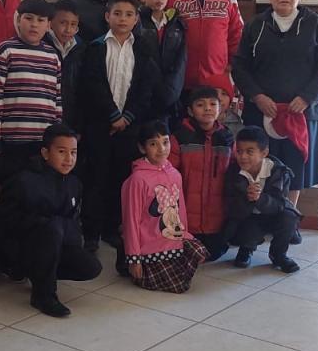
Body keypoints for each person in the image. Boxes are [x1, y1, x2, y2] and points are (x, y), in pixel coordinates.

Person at [231, 0, 318, 217]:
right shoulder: (256, 25)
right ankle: (258, 217)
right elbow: (240, 66)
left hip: (300, 112)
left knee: (294, 167)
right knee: (259, 164)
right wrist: (257, 96)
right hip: (262, 110)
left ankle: (287, 217)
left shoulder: (315, 24)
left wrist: (307, 98)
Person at [79, 0, 158, 262]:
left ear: (136, 19)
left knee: (121, 179)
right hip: (100, 125)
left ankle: (112, 228)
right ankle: (91, 231)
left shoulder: (143, 49)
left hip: (129, 127)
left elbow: (145, 88)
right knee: (95, 178)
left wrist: (127, 118)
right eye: (117, 13)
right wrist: (112, 116)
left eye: (128, 14)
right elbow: (93, 85)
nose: (122, 19)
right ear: (107, 16)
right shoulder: (96, 47)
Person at [0, 124, 101, 318]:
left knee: (91, 267)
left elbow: (73, 222)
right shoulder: (25, 180)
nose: (69, 159)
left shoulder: (74, 184)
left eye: (73, 152)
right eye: (62, 152)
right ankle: (43, 295)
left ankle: (39, 273)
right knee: (51, 228)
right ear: (45, 153)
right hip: (21, 246)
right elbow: (3, 218)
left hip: (57, 244)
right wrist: (41, 224)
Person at [121, 121, 209, 293]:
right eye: (153, 144)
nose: (161, 149)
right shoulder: (137, 180)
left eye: (165, 142)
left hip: (171, 238)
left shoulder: (175, 174)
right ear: (142, 148)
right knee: (178, 286)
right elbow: (130, 221)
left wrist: (185, 236)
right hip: (149, 245)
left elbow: (180, 211)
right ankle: (131, 266)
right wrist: (134, 258)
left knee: (199, 252)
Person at [0, 0, 63, 181]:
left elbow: (57, 99)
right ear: (18, 20)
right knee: (12, 188)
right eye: (28, 18)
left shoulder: (53, 56)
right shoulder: (5, 51)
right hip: (12, 141)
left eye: (41, 20)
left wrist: (56, 135)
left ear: (48, 25)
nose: (34, 25)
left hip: (43, 141)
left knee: (39, 188)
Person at [168, 85, 234, 259]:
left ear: (220, 108)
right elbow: (169, 174)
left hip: (217, 217)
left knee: (214, 253)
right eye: (200, 105)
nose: (207, 108)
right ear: (190, 111)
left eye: (213, 104)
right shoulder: (180, 137)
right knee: (189, 253)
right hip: (186, 217)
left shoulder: (227, 138)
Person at [224, 126, 300, 273]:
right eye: (239, 151)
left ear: (264, 153)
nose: (243, 156)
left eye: (249, 152)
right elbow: (232, 207)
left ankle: (279, 255)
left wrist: (260, 198)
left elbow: (279, 204)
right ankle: (246, 249)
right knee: (245, 228)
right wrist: (247, 198)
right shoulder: (233, 172)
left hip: (272, 215)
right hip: (248, 216)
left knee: (289, 217)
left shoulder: (279, 171)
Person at [136, 0, 187, 126]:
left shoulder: (177, 24)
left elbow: (181, 61)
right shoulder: (136, 23)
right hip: (144, 93)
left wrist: (171, 90)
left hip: (170, 93)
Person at [44, 0, 86, 132]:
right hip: (46, 115)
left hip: (71, 116)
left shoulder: (81, 49)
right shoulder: (42, 45)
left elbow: (82, 89)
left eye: (73, 24)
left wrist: (78, 126)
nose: (68, 29)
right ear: (51, 23)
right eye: (63, 23)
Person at [201, 72, 242, 138]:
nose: (219, 98)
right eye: (214, 93)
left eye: (224, 94)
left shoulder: (237, 125)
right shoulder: (195, 123)